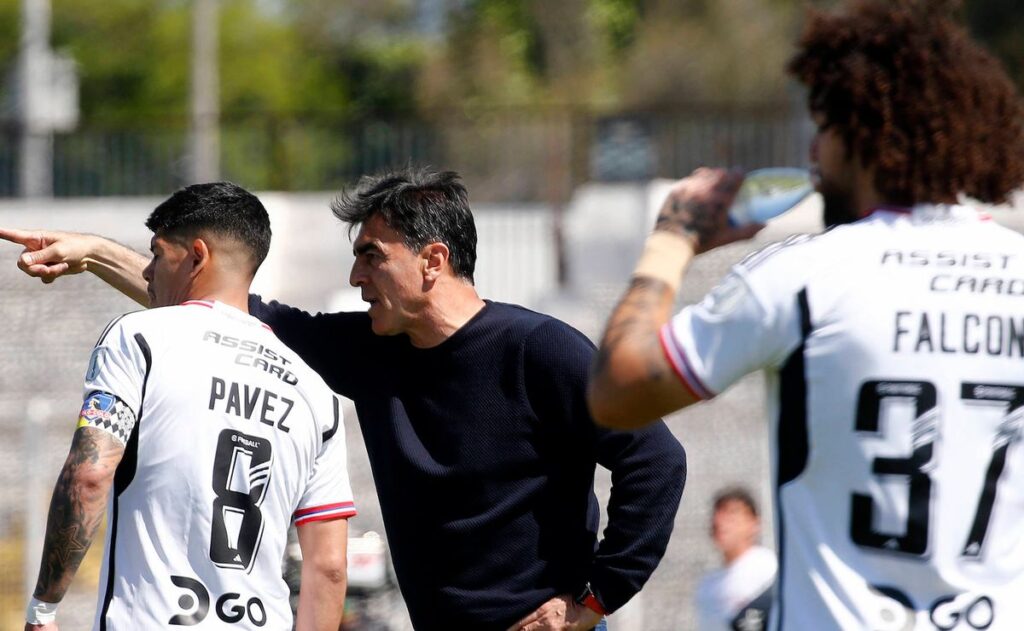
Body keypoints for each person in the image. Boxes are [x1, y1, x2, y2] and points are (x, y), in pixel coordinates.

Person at [2, 168, 687, 631]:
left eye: (371, 255)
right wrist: (95, 254)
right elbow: (219, 305)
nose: (356, 276)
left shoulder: (541, 349)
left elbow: (656, 460)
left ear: (433, 261)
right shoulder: (373, 349)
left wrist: (593, 599)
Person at [588, 1, 1024, 629]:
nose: (815, 150)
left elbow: (617, 391)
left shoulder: (806, 275)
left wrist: (673, 237)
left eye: (825, 126)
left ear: (864, 133)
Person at [17, 183, 356, 630]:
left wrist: (44, 606)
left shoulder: (139, 338)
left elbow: (89, 476)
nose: (147, 272)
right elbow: (328, 568)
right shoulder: (316, 394)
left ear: (197, 256)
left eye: (157, 254)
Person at [694, 488, 776, 631]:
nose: (720, 522)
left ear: (754, 523)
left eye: (731, 514)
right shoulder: (707, 585)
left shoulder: (769, 567)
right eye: (718, 514)